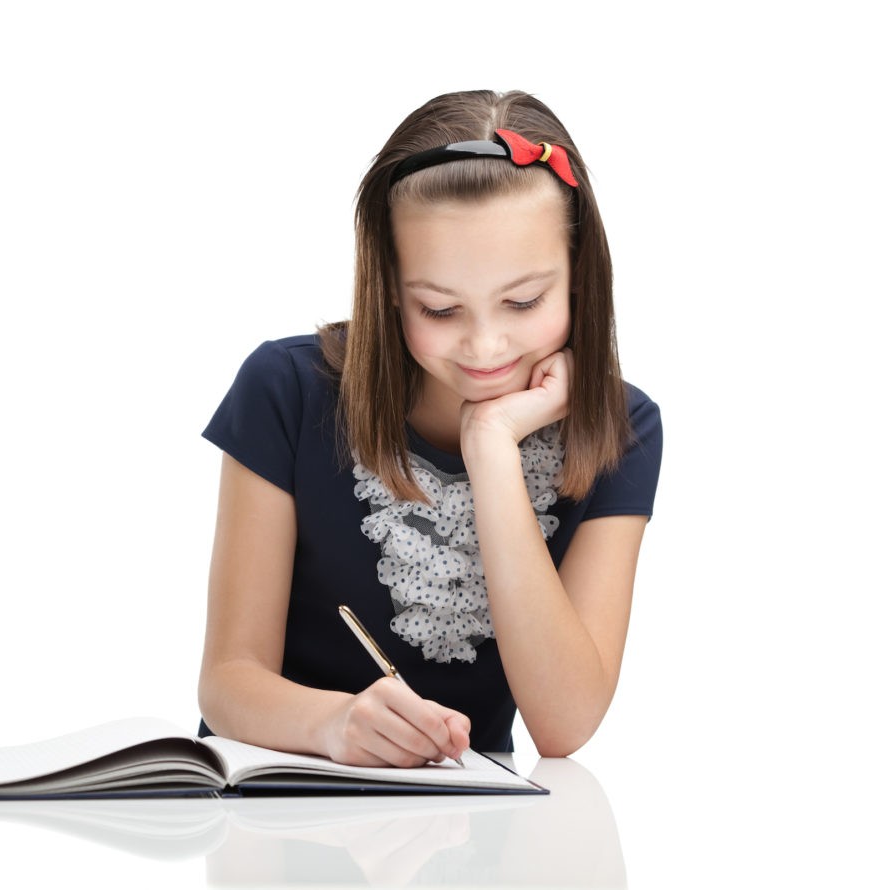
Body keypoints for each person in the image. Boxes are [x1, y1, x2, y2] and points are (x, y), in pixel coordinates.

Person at [197, 89, 662, 764]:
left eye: (523, 301)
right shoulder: (286, 388)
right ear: (388, 285)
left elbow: (565, 724)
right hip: (272, 810)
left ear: (579, 278)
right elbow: (227, 682)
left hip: (474, 833)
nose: (485, 346)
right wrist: (335, 724)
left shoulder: (624, 427)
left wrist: (493, 450)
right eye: (440, 309)